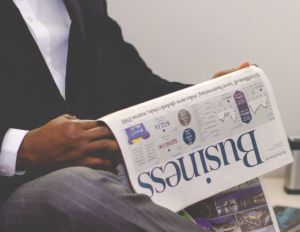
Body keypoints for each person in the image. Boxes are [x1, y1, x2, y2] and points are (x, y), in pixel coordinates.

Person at [0, 0, 249, 231]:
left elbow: (129, 86)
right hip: (16, 189)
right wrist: (24, 149)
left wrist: (204, 96)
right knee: (77, 189)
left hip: (99, 175)